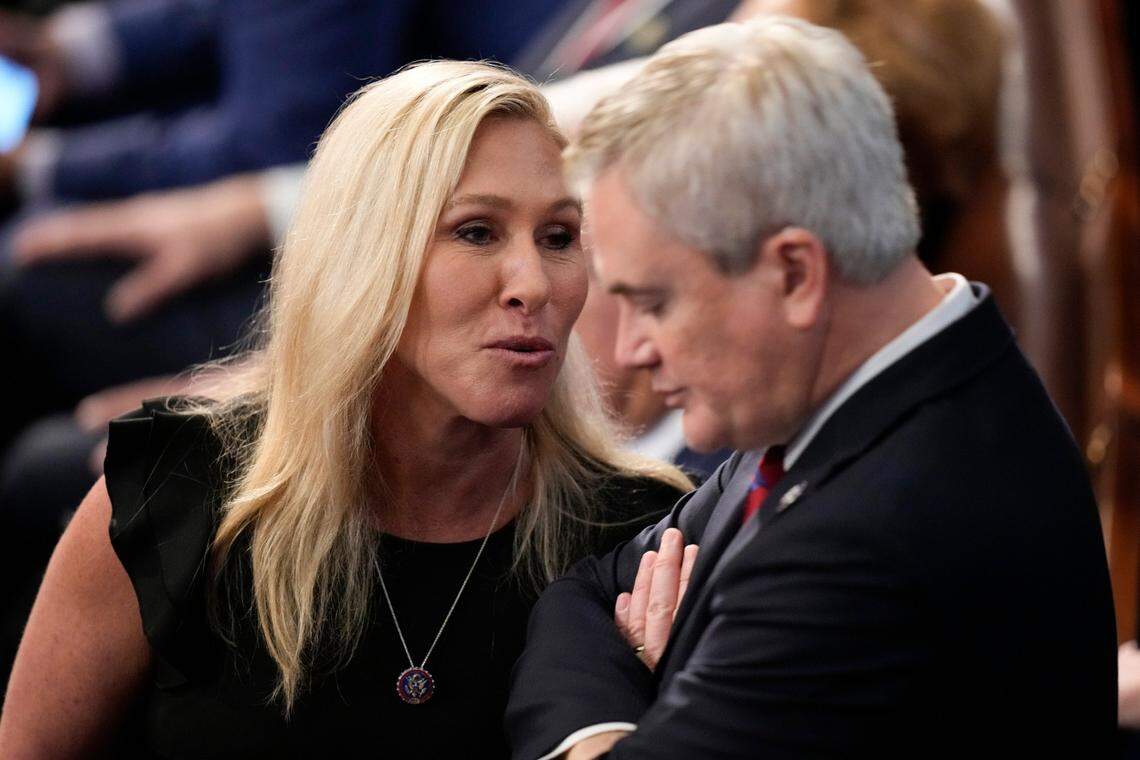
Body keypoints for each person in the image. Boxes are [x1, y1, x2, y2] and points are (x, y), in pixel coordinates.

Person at [0, 60, 691, 757]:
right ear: (365, 253)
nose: (533, 283)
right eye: (476, 232)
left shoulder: (645, 531)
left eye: (560, 237)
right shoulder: (182, 488)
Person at [505, 17, 1117, 759]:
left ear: (794, 273)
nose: (631, 349)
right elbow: (587, 593)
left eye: (655, 302)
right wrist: (621, 722)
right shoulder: (853, 397)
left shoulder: (867, 542)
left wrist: (651, 697)